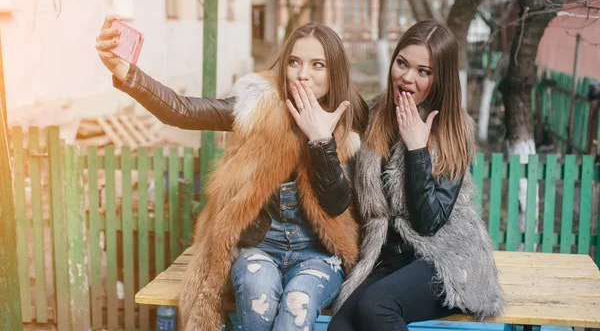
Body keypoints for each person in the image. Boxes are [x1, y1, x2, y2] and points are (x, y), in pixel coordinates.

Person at [95, 16, 368, 331]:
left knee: (298, 304)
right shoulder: (260, 104)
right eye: (294, 62)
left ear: (335, 72)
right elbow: (182, 110)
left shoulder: (350, 121)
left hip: (318, 254)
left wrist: (322, 142)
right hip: (260, 246)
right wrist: (124, 71)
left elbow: (337, 204)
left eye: (317, 65)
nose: (302, 75)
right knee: (257, 295)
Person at [328, 20, 504, 331]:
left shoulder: (453, 128)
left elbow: (429, 223)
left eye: (423, 71)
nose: (407, 77)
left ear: (440, 80)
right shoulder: (373, 115)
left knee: (376, 307)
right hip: (390, 260)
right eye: (402, 63)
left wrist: (416, 150)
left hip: (444, 258)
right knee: (341, 324)